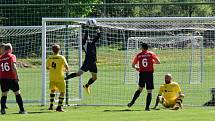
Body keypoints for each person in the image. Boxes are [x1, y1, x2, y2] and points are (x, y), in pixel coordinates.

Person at [65, 23, 101, 95]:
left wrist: (97, 28)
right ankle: (65, 78)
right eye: (86, 37)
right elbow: (86, 36)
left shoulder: (92, 42)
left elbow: (98, 36)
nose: (88, 37)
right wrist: (87, 27)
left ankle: (86, 86)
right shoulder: (84, 43)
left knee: (94, 78)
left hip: (93, 63)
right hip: (87, 62)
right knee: (78, 74)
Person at [127, 43, 160, 111]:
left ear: (142, 48)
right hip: (149, 74)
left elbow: (133, 65)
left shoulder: (139, 55)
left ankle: (132, 102)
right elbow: (158, 62)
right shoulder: (151, 54)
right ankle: (147, 107)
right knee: (149, 91)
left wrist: (136, 67)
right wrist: (152, 61)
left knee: (140, 89)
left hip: (142, 74)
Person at [0, 43, 26, 114]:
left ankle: (2, 110)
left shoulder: (1, 57)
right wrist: (17, 76)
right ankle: (22, 110)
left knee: (4, 94)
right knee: (17, 93)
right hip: (11, 78)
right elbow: (14, 66)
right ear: (10, 49)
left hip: (3, 79)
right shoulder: (12, 56)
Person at [46, 44, 69, 112]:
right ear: (59, 50)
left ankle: (51, 105)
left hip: (52, 77)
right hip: (60, 77)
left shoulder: (49, 58)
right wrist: (66, 70)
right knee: (62, 92)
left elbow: (47, 67)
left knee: (52, 90)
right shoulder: (61, 57)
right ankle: (59, 107)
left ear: (52, 50)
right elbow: (67, 67)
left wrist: (52, 69)